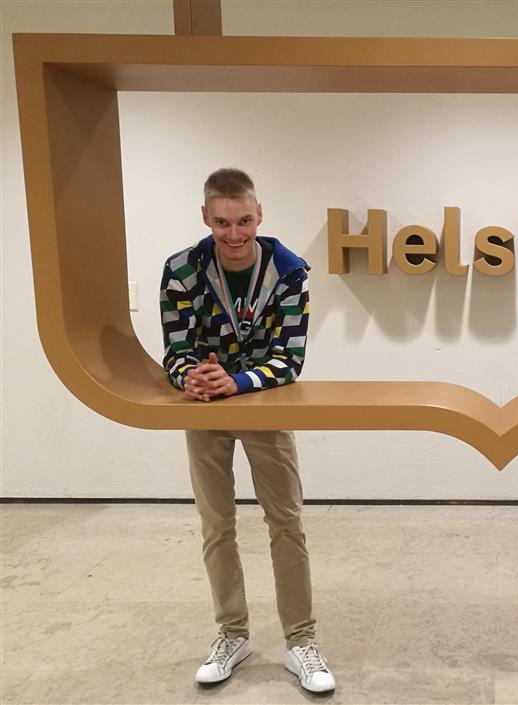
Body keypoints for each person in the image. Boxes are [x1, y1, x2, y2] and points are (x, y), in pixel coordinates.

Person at [159, 168, 334, 694]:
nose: (233, 235)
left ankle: (300, 641)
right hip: (206, 406)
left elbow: (291, 361)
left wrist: (235, 380)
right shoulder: (181, 270)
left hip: (263, 403)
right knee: (217, 524)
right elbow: (176, 348)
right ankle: (231, 634)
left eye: (242, 221)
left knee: (286, 523)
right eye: (221, 223)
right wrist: (190, 376)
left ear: (259, 215)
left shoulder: (290, 271)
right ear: (205, 218)